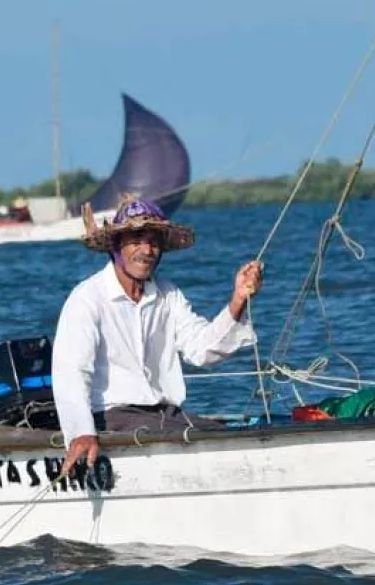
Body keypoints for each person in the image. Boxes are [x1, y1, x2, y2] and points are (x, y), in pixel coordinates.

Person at [52, 196, 264, 472]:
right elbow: (71, 373)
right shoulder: (87, 299)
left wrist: (238, 300)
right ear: (116, 245)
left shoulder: (168, 294)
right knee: (218, 440)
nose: (147, 250)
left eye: (154, 241)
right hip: (113, 417)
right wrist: (81, 432)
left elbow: (201, 350)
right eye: (136, 240)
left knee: (226, 433)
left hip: (165, 417)